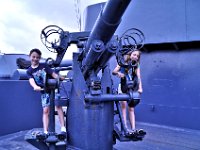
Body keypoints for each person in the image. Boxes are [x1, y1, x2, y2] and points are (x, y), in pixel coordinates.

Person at [26, 48, 66, 136]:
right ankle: (45, 132)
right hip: (44, 91)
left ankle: (63, 128)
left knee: (58, 106)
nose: (35, 59)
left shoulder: (44, 66)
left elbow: (53, 74)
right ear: (30, 57)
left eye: (37, 57)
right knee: (45, 111)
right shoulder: (29, 71)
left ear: (39, 58)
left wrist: (59, 78)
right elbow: (31, 80)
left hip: (53, 89)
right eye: (33, 57)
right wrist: (35, 86)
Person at [112, 49, 144, 135]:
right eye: (134, 55)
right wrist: (119, 74)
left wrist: (140, 88)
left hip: (132, 87)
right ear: (130, 55)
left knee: (131, 108)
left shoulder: (136, 65)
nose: (136, 57)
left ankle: (133, 129)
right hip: (123, 87)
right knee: (123, 107)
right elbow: (114, 71)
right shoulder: (123, 62)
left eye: (137, 56)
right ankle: (125, 128)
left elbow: (138, 76)